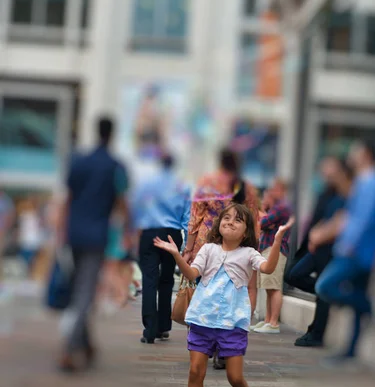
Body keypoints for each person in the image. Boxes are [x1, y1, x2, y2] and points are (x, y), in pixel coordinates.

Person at [154, 203, 294, 387]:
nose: (230, 221)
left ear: (247, 231)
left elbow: (269, 268)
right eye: (226, 217)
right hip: (202, 319)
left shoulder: (249, 254)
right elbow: (191, 274)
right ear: (219, 223)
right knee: (195, 372)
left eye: (238, 220)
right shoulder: (208, 249)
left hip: (232, 323)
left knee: (235, 377)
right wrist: (177, 254)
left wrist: (279, 237)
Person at [57, 116, 130, 372]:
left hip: (74, 234)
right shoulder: (115, 166)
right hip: (96, 235)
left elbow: (67, 198)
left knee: (80, 288)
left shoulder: (79, 161)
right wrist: (127, 231)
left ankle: (86, 344)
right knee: (85, 293)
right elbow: (122, 202)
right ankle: (70, 347)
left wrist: (60, 232)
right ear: (112, 134)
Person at [183, 148, 259, 368]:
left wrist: (188, 248)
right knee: (233, 293)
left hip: (206, 244)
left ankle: (202, 344)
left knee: (204, 294)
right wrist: (251, 246)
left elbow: (195, 217)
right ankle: (224, 348)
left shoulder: (208, 182)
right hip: (239, 248)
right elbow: (254, 219)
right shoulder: (246, 186)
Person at [315, 140, 375, 363]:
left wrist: (348, 245)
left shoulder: (371, 183)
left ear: (365, 154)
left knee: (325, 286)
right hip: (358, 249)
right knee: (356, 294)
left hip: (357, 251)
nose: (351, 155)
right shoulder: (364, 182)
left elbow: (363, 219)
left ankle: (368, 308)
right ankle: (351, 350)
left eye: (355, 151)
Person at [285, 157, 353, 347]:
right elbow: (322, 217)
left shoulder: (344, 193)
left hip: (328, 247)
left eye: (329, 167)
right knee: (293, 275)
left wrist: (319, 236)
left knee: (320, 289)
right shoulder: (328, 191)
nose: (324, 171)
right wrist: (313, 236)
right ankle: (327, 292)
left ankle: (317, 334)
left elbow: (340, 221)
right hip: (316, 245)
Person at [133, 154, 191, 344]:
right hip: (171, 234)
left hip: (149, 233)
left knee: (149, 279)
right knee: (166, 281)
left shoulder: (147, 183)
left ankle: (149, 330)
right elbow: (187, 218)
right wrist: (186, 245)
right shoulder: (183, 186)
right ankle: (163, 327)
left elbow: (136, 208)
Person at [254, 179, 292, 334]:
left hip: (275, 249)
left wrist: (263, 211)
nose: (270, 192)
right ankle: (268, 321)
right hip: (267, 247)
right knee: (269, 287)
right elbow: (263, 223)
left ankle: (274, 323)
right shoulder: (276, 207)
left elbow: (261, 223)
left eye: (274, 189)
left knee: (274, 286)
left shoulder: (282, 207)